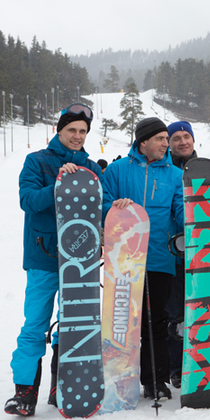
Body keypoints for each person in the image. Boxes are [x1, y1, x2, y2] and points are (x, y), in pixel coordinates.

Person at [6, 104, 101, 417]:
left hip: (80, 264)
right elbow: (28, 201)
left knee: (73, 325)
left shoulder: (91, 167)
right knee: (35, 325)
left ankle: (63, 387)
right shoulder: (37, 161)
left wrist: (120, 206)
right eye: (71, 130)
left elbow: (103, 205)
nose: (77, 136)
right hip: (43, 258)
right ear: (59, 131)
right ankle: (24, 392)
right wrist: (58, 184)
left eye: (82, 132)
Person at [101, 117, 185, 401]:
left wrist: (202, 221)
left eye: (166, 139)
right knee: (124, 320)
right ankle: (121, 379)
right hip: (123, 259)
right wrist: (113, 207)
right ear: (143, 141)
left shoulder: (174, 175)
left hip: (160, 258)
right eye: (161, 138)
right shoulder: (116, 171)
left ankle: (155, 380)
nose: (166, 144)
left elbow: (181, 213)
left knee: (156, 320)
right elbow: (101, 203)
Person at [161, 121, 198, 389]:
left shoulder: (206, 169)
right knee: (174, 314)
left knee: (200, 310)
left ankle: (199, 360)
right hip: (171, 253)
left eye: (186, 136)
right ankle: (175, 367)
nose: (182, 142)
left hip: (201, 254)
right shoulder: (163, 170)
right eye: (176, 138)